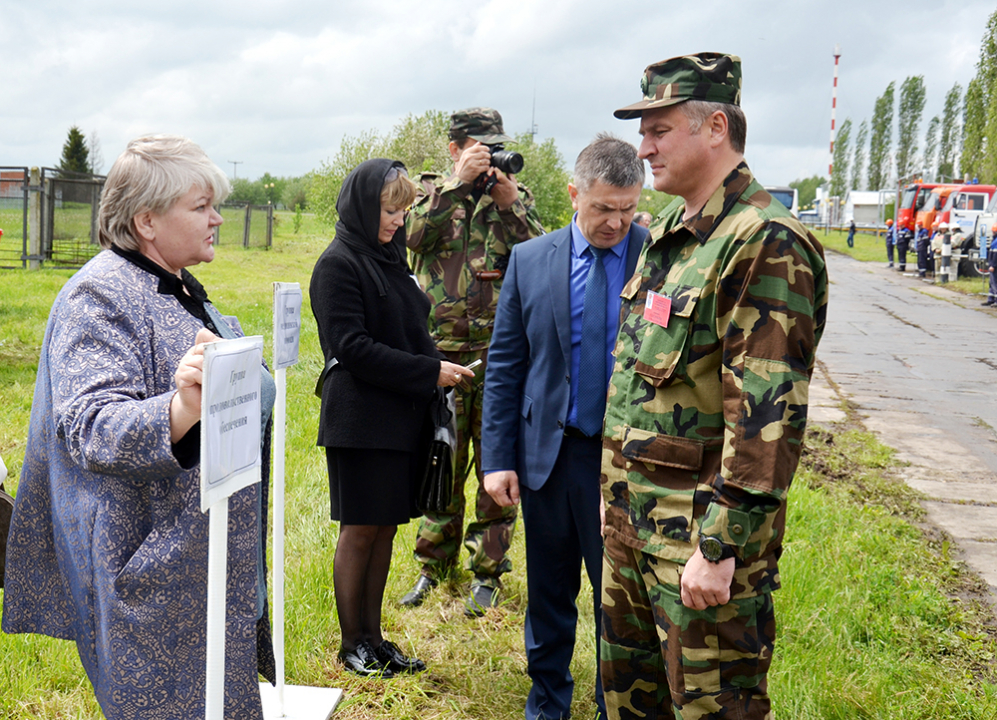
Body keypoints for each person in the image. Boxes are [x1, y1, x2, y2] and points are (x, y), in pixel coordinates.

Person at [1, 135, 276, 719]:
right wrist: (181, 409)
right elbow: (90, 425)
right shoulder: (100, 294)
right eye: (201, 206)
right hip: (151, 572)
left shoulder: (172, 285)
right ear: (147, 220)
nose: (218, 218)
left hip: (197, 568)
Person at [603, 53, 828, 719]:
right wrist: (613, 504)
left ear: (715, 127)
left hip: (697, 550)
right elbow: (641, 387)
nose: (642, 148)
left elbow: (766, 416)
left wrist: (720, 548)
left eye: (658, 130)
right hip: (633, 531)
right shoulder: (671, 235)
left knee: (712, 709)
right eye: (642, 131)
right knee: (628, 706)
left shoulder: (763, 242)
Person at [482, 134, 647, 720]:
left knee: (618, 599)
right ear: (575, 194)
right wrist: (497, 456)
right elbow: (506, 365)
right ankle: (548, 701)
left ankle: (614, 705)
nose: (616, 222)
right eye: (603, 208)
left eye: (628, 209)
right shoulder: (531, 260)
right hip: (549, 456)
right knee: (550, 592)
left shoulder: (657, 258)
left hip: (624, 464)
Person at [310, 158, 474, 677]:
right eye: (389, 209)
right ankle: (351, 642)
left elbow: (406, 329)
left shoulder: (389, 257)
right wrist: (430, 371)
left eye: (404, 209)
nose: (399, 219)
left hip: (398, 416)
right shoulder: (338, 264)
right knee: (360, 531)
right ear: (361, 206)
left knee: (385, 531)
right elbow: (351, 348)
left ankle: (375, 639)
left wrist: (434, 370)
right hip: (360, 421)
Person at [403, 107, 545, 615]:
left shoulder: (514, 198)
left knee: (496, 465)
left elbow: (544, 255)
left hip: (501, 358)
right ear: (455, 148)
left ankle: (487, 570)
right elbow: (409, 239)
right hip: (441, 355)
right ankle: (433, 566)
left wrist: (510, 205)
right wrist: (455, 186)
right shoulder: (429, 194)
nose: (489, 157)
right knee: (440, 461)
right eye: (479, 147)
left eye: (494, 146)